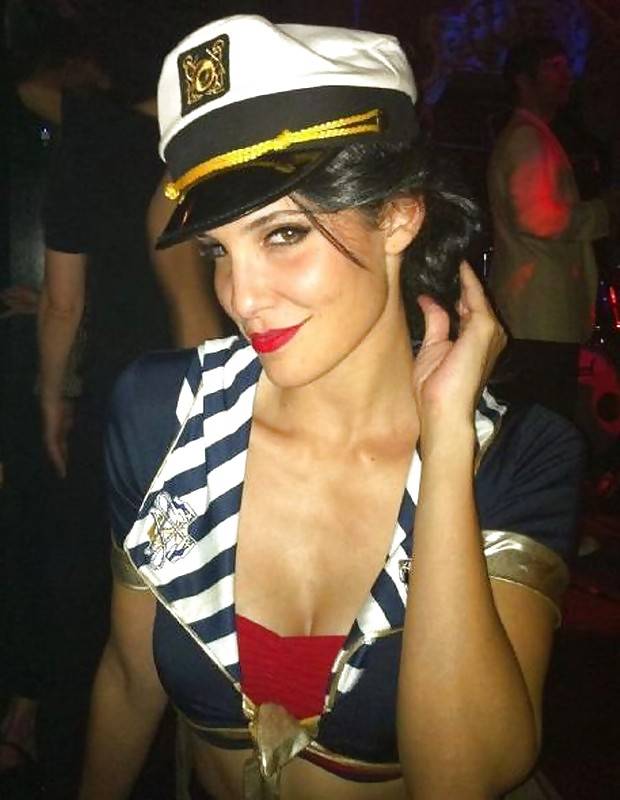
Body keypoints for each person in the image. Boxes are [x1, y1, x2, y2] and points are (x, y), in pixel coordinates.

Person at [81, 16, 584, 800]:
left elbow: (459, 778)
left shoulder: (515, 455)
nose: (241, 297)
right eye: (218, 251)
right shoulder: (165, 415)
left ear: (399, 216)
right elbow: (127, 676)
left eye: (283, 234)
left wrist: (445, 451)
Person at [486, 36, 617, 420]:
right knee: (544, 423)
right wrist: (604, 212)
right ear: (523, 80)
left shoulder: (531, 135)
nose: (566, 77)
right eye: (554, 67)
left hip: (537, 315)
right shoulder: (527, 138)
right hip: (539, 316)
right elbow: (539, 218)